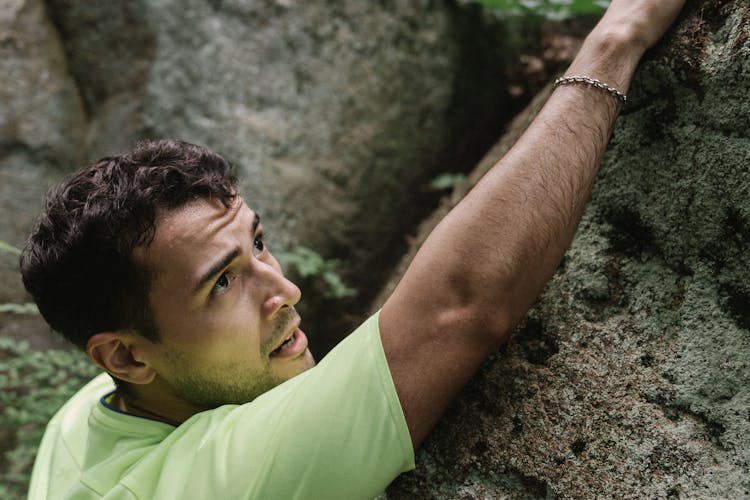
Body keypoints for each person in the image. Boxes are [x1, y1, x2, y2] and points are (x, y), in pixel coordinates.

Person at [23, 0, 686, 498]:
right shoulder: (220, 481)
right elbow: (458, 308)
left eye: (258, 243)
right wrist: (615, 41)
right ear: (127, 355)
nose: (284, 292)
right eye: (222, 284)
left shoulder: (83, 420)